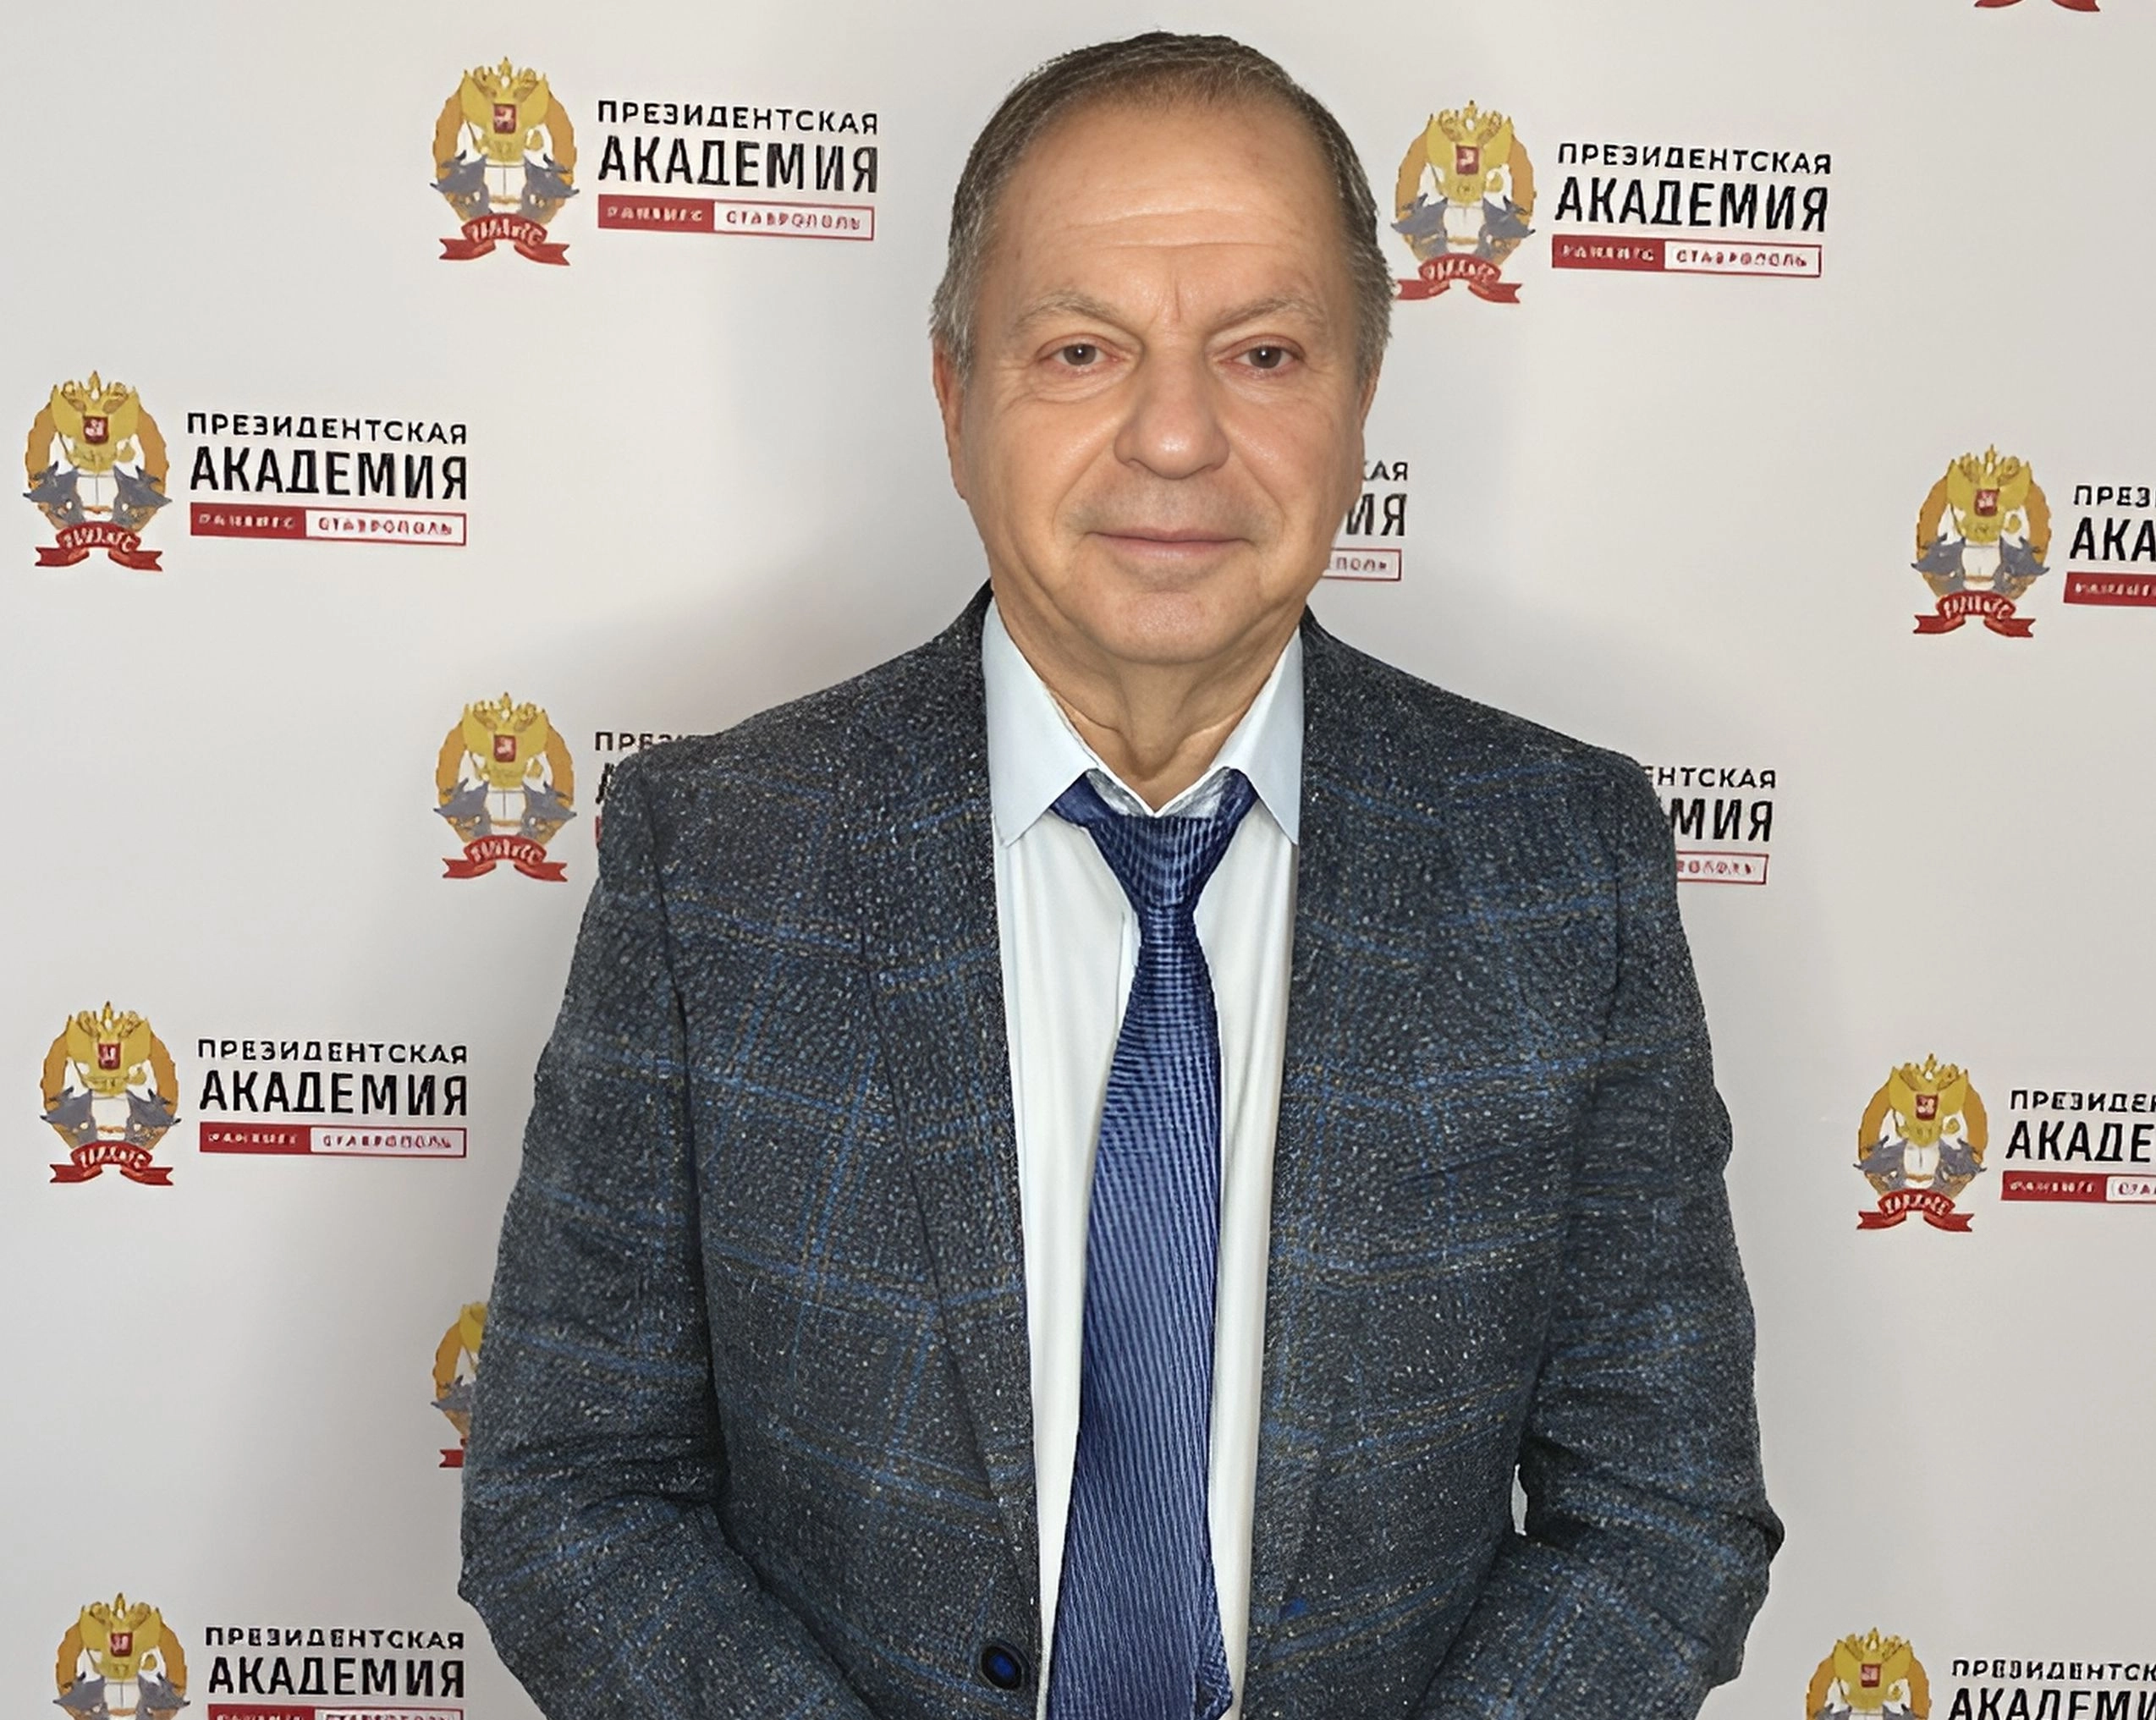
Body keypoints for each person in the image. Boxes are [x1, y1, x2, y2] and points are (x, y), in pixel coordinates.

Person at [460, 31, 1780, 1720]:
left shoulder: (1562, 859)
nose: (1174, 435)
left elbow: (1659, 1514)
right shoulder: (712, 858)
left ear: (1360, 401)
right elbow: (571, 1491)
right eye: (1081, 350)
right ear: (956, 400)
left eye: (1264, 353)